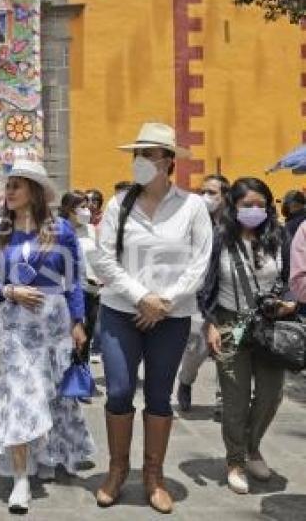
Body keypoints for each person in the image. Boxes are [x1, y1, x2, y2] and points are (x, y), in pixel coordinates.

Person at [90, 123, 213, 514]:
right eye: (136, 155)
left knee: (160, 395)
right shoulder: (117, 205)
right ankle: (117, 469)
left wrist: (166, 301)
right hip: (120, 311)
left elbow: (200, 260)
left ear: (168, 162)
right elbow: (104, 259)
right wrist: (142, 297)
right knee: (120, 389)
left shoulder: (192, 206)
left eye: (148, 155)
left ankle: (154, 476)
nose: (140, 162)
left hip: (172, 316)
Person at [0, 160, 94, 514]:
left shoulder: (60, 230)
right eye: (7, 186)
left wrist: (79, 321)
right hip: (15, 326)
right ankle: (21, 477)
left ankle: (56, 452)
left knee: (55, 393)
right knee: (19, 395)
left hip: (55, 323)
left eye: (16, 185)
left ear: (34, 191)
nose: (8, 192)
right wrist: (11, 291)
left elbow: (75, 280)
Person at [198, 177, 293, 495]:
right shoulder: (219, 239)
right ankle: (236, 460)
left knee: (271, 394)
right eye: (247, 205)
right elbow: (205, 285)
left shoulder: (278, 237)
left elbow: (291, 277)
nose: (255, 210)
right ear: (232, 207)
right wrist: (209, 322)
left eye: (261, 205)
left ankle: (252, 447)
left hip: (269, 325)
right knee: (235, 398)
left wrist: (288, 302)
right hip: (230, 324)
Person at [177, 174, 230, 413]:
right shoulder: (193, 222)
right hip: (199, 295)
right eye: (202, 192)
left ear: (225, 196)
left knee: (229, 347)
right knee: (196, 347)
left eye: (212, 192)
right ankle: (186, 382)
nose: (205, 197)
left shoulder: (234, 226)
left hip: (228, 294)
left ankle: (224, 399)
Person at [59, 190, 102, 364]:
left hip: (91, 290)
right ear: (70, 209)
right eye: (82, 207)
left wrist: (100, 277)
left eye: (88, 206)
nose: (88, 210)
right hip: (67, 291)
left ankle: (81, 378)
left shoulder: (91, 229)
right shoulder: (58, 229)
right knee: (68, 336)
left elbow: (97, 256)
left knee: (86, 335)